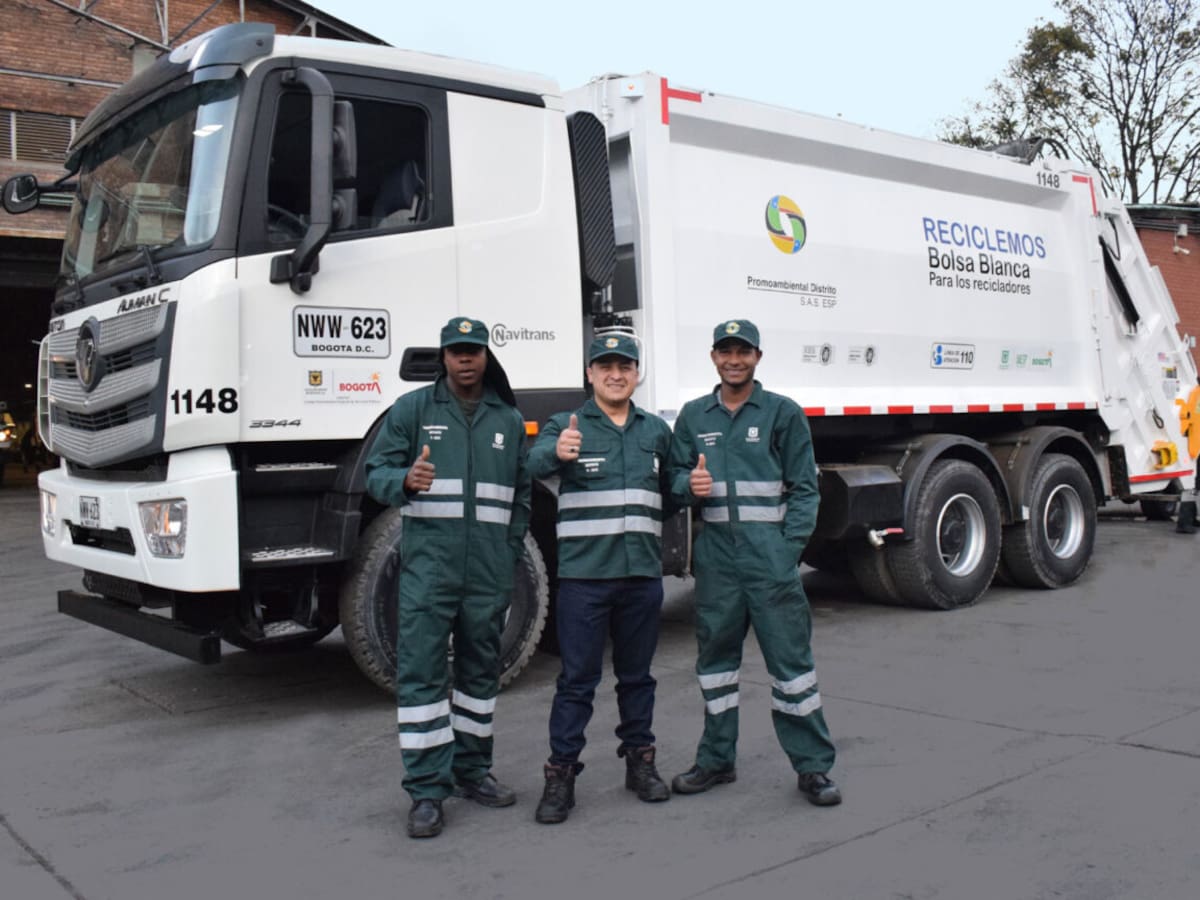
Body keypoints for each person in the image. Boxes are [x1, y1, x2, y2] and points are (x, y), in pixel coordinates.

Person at [364, 316, 531, 839]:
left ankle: (472, 772)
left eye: (473, 350)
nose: (465, 359)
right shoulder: (413, 410)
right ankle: (426, 791)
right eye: (456, 351)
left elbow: (521, 497)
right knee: (423, 677)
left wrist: (507, 557)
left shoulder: (507, 419)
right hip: (429, 574)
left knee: (481, 677)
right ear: (443, 357)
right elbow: (375, 474)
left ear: (485, 356)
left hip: (487, 575)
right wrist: (404, 480)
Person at [667, 319, 841, 806]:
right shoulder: (694, 416)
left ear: (757, 357)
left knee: (792, 669)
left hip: (769, 561)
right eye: (725, 351)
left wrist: (787, 552)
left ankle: (813, 768)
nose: (734, 360)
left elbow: (805, 490)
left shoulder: (782, 413)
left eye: (743, 351)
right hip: (717, 562)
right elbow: (674, 480)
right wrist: (687, 486)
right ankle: (716, 760)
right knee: (716, 667)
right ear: (713, 357)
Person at [526, 333, 674, 824]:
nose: (616, 374)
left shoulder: (655, 431)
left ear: (637, 373)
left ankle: (640, 763)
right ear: (589, 374)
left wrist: (691, 487)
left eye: (625, 366)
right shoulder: (566, 425)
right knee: (577, 681)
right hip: (585, 579)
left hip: (641, 576)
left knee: (638, 678)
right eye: (605, 366)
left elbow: (670, 490)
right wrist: (557, 453)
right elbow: (531, 464)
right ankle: (560, 776)